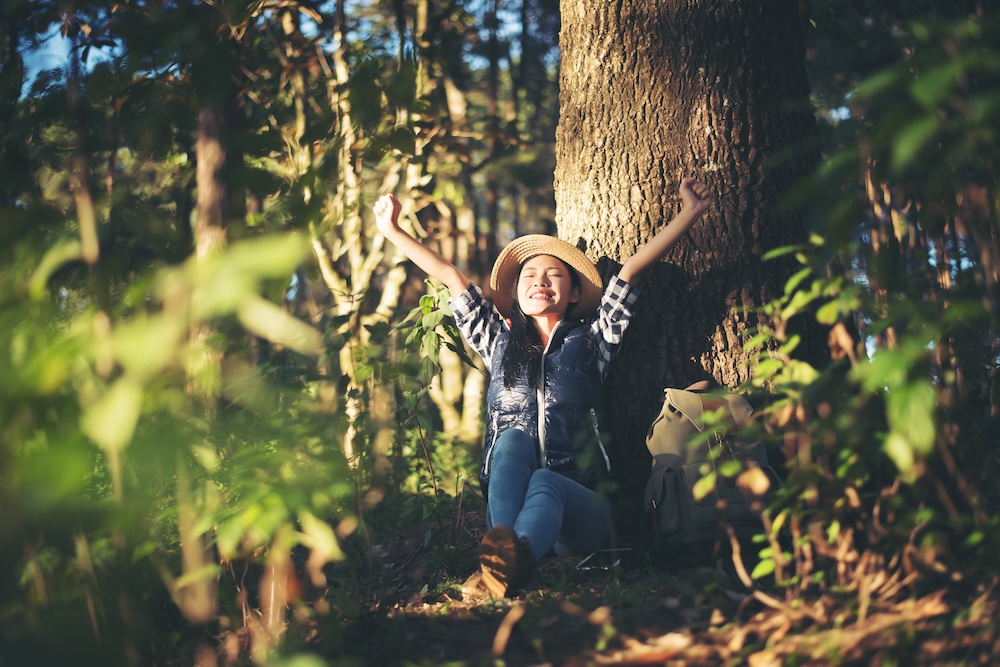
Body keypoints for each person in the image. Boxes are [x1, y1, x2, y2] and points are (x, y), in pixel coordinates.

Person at [373, 177, 712, 599]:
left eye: (554, 275)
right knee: (512, 443)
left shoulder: (593, 341)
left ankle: (513, 565)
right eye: (530, 275)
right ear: (515, 292)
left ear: (573, 294)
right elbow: (449, 276)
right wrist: (393, 231)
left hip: (583, 508)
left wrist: (689, 213)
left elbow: (629, 273)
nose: (541, 281)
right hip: (514, 512)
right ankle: (506, 559)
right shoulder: (496, 341)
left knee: (546, 482)